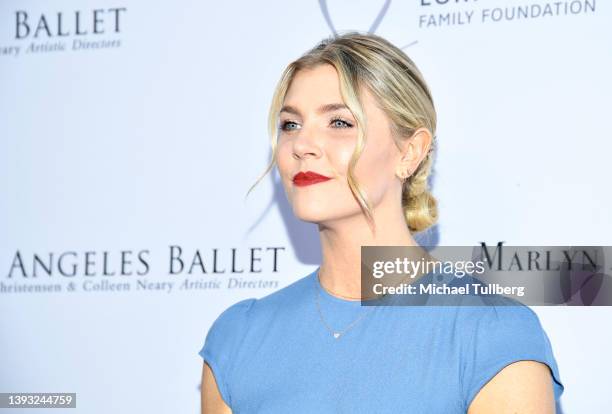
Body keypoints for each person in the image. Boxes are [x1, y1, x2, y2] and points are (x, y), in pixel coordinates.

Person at [198, 31, 564, 413]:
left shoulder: (489, 333)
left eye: (339, 122)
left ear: (409, 152)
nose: (301, 144)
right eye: (290, 124)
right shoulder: (239, 336)